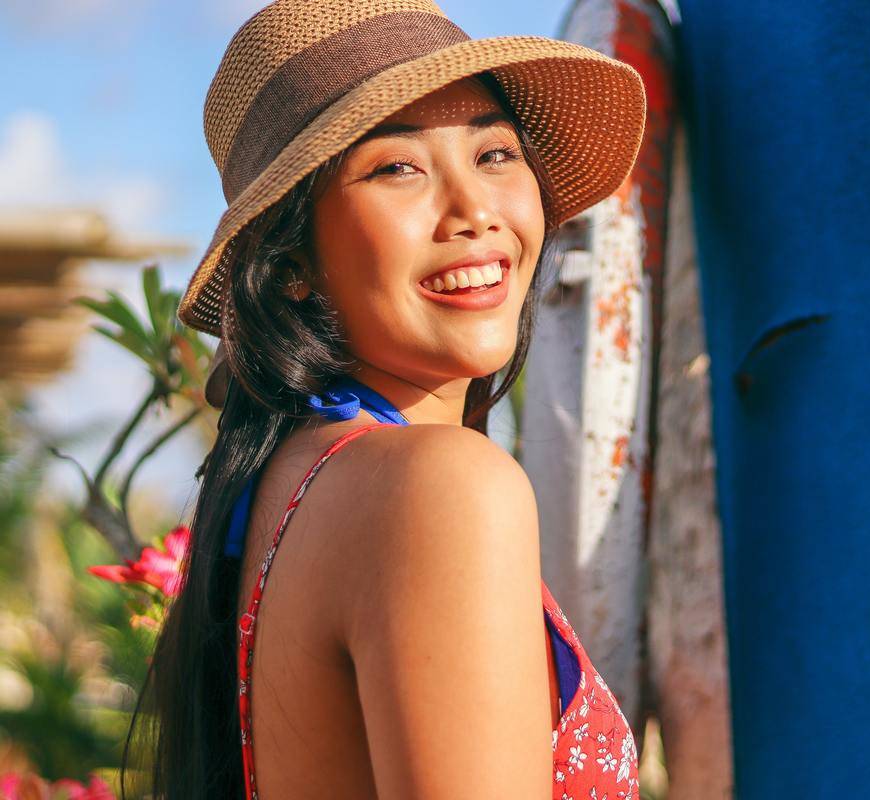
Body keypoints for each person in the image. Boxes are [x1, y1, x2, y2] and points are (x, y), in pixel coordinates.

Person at [121, 1, 647, 798]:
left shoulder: (285, 487)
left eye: (496, 153)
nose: (476, 212)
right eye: (397, 167)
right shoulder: (440, 486)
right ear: (290, 259)